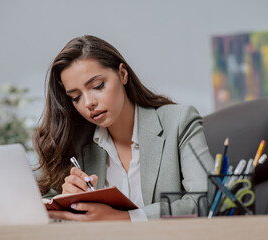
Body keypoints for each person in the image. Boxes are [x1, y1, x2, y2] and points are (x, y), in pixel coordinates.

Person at [34, 35, 214, 222]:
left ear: (122, 74)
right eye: (76, 97)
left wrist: (126, 218)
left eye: (98, 86)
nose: (88, 103)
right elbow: (40, 205)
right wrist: (66, 202)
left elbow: (206, 199)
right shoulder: (75, 141)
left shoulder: (178, 122)